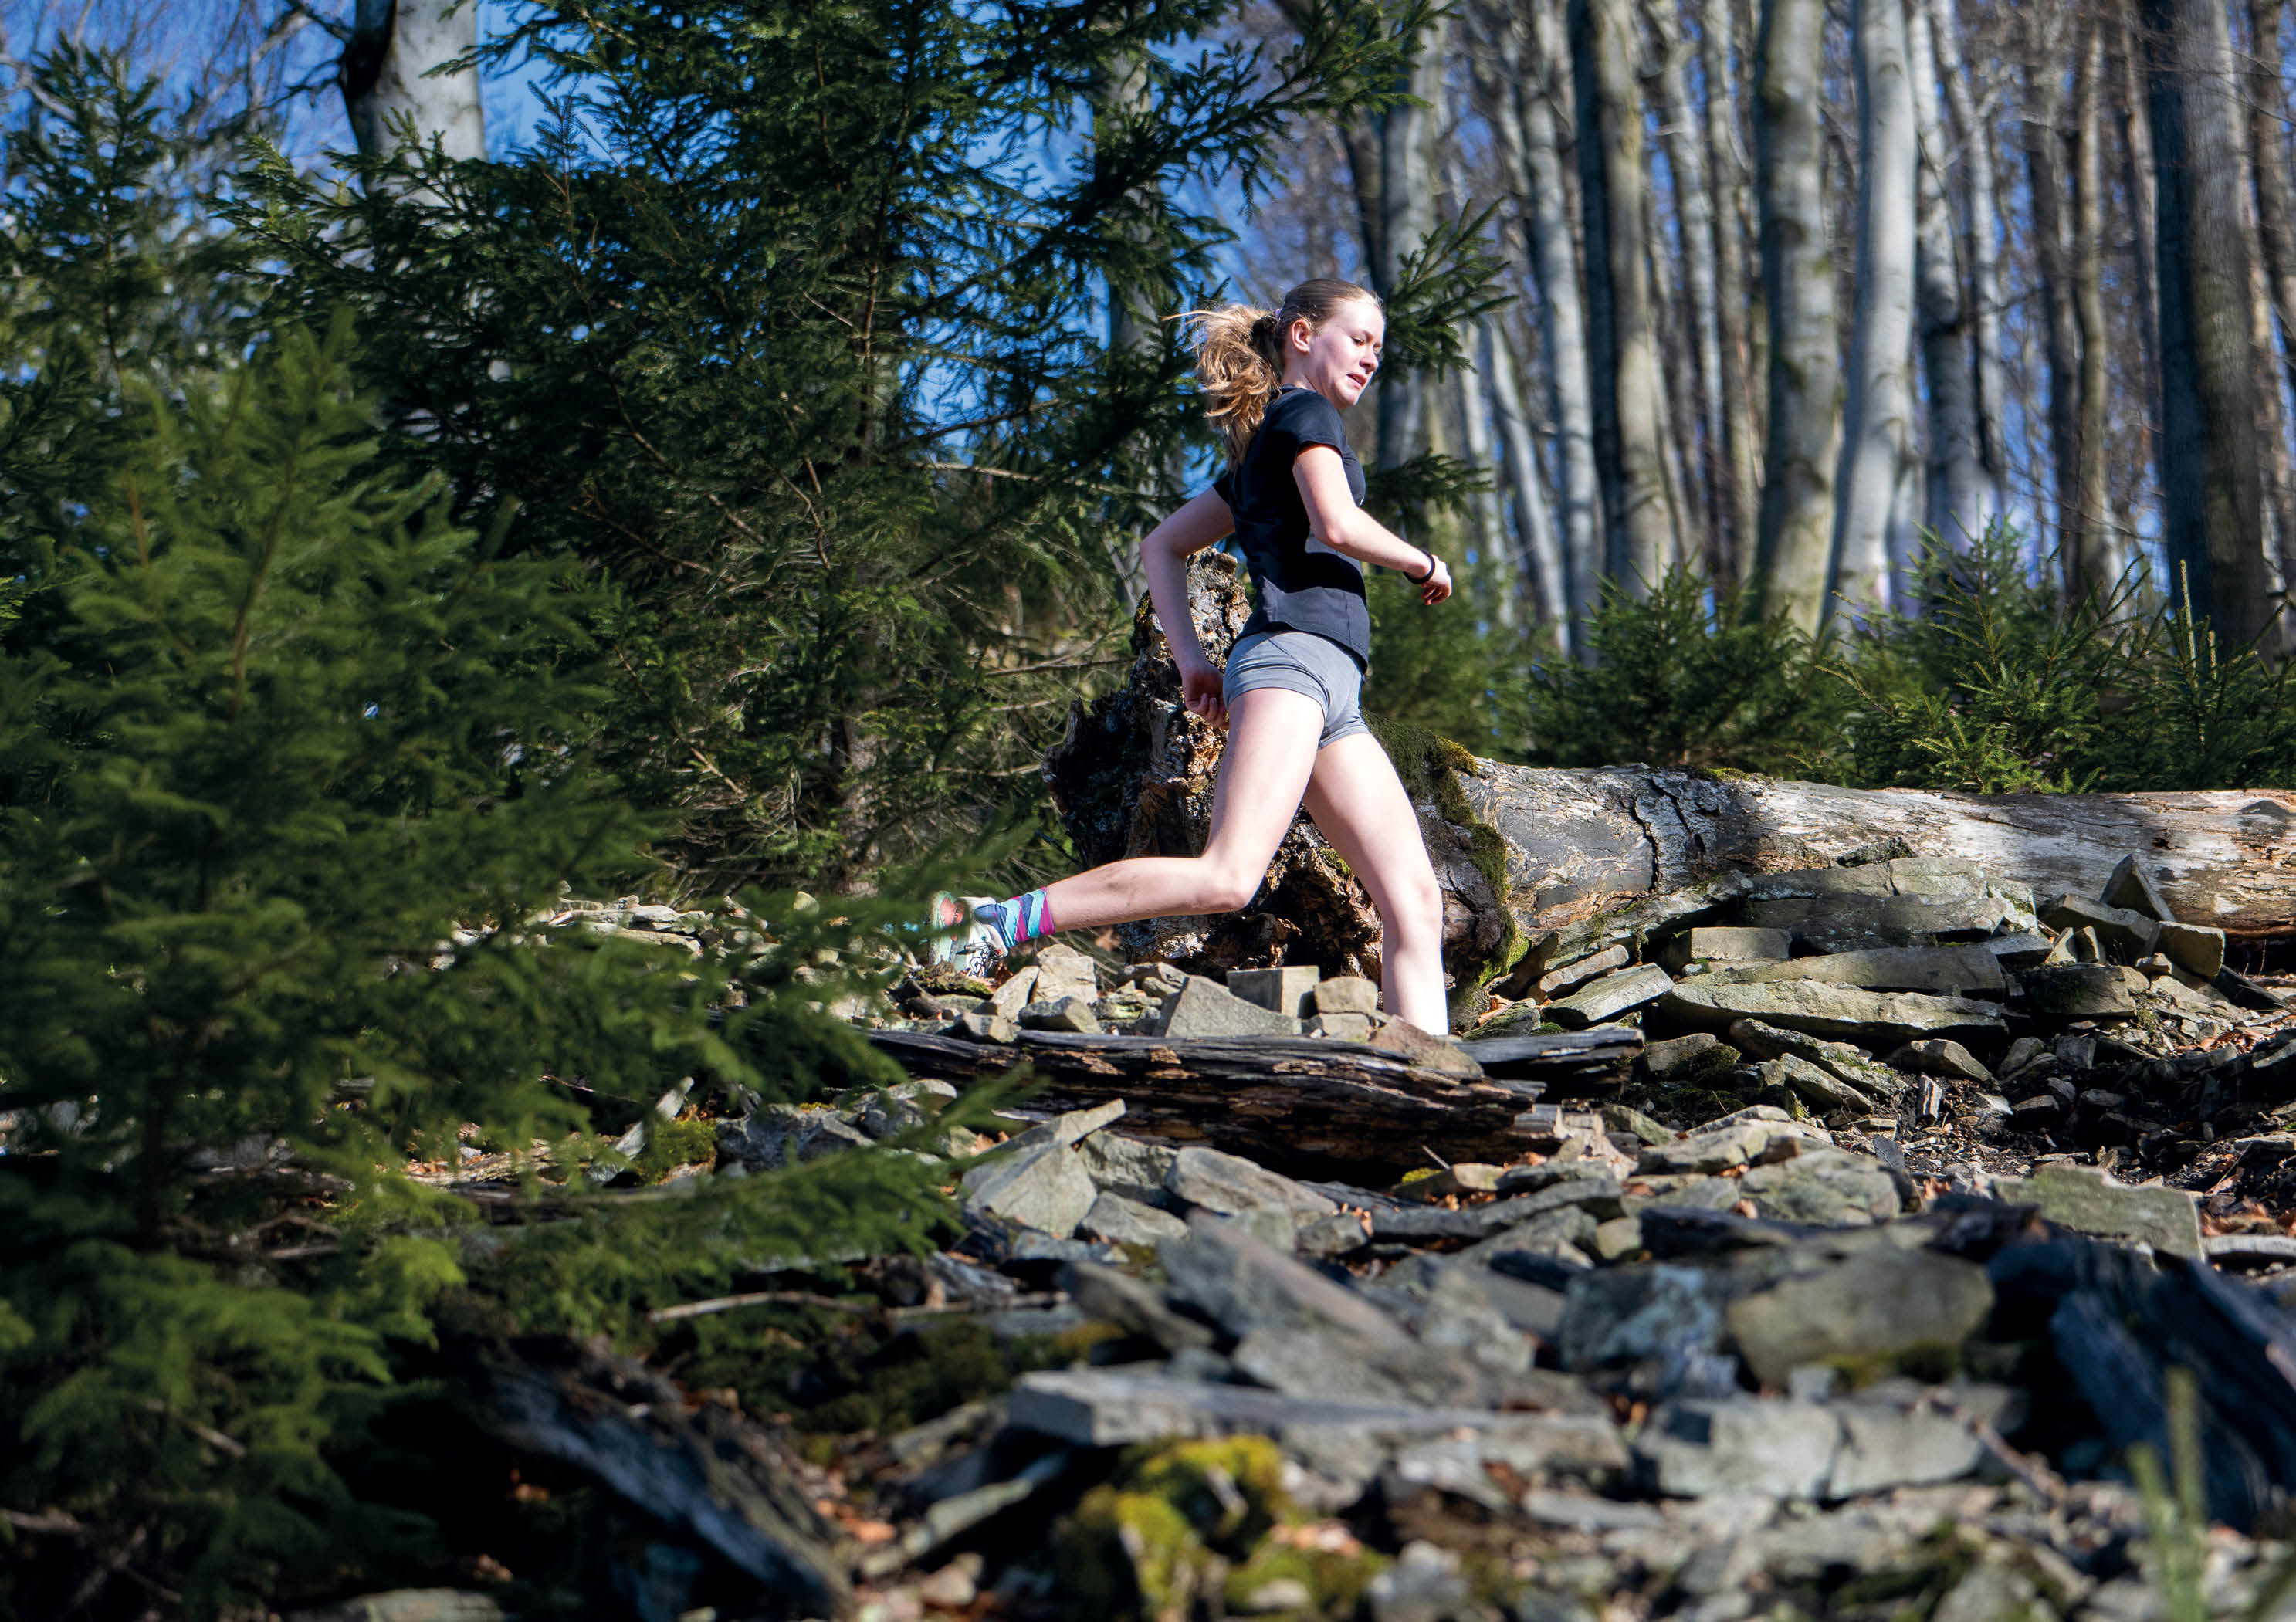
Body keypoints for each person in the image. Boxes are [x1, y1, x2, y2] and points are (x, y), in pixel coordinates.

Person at [935, 278, 1458, 1033]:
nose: (1373, 359)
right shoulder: (1304, 411)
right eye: (1360, 339)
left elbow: (1162, 544)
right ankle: (986, 923)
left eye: (1381, 348)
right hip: (1294, 663)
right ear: (1303, 336)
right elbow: (1336, 523)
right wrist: (1420, 562)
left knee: (1414, 898)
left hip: (1328, 684)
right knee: (1228, 875)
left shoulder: (1261, 447)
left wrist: (1193, 662)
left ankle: (1425, 1080)